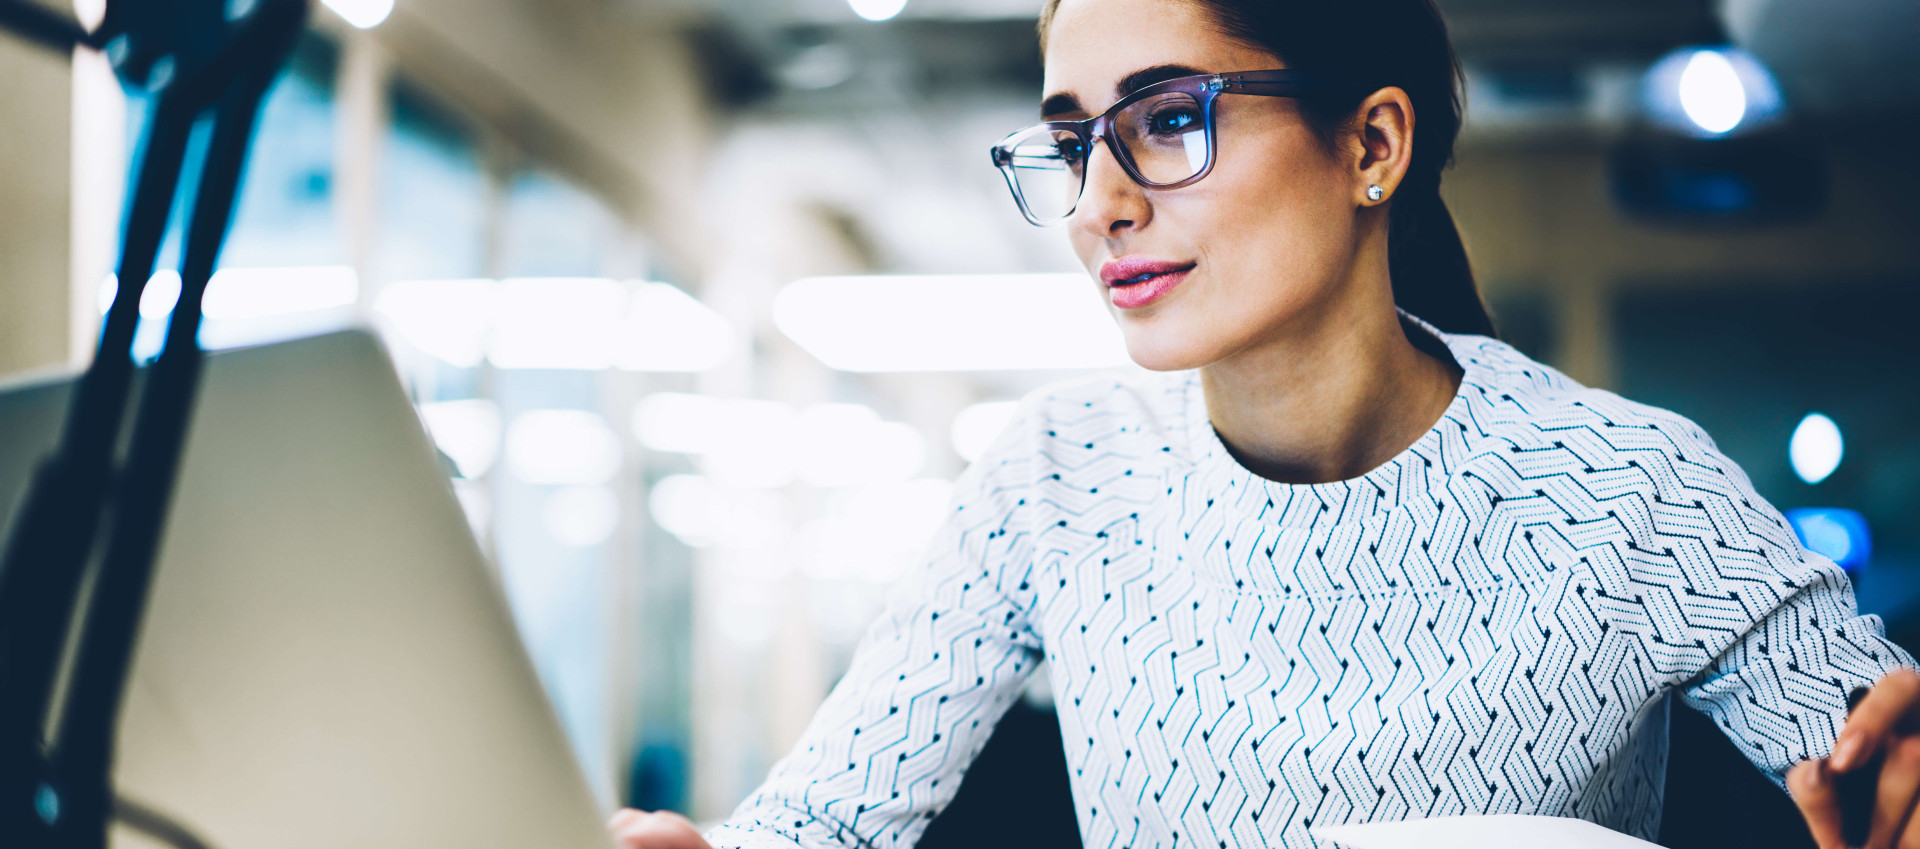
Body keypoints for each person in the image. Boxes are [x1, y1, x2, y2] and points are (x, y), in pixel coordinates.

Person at [610, 0, 1920, 847]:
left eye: (1169, 120)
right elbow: (829, 821)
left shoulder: (1630, 491)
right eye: (1073, 142)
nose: (1098, 205)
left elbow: (1882, 768)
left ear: (1372, 147)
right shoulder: (1056, 482)